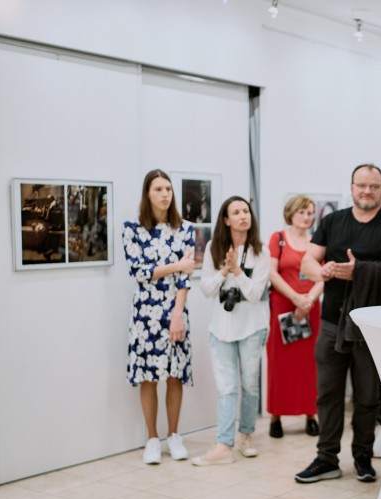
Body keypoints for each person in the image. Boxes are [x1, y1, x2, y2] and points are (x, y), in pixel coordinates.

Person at [294, 164, 381, 483]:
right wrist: (323, 272)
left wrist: (359, 271)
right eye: (362, 185)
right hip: (332, 321)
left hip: (372, 326)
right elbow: (308, 261)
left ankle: (363, 456)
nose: (367, 191)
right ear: (351, 187)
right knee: (328, 393)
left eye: (374, 186)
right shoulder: (332, 221)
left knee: (367, 396)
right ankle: (326, 458)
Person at [122, 169, 195, 465]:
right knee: (148, 376)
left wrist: (178, 314)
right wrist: (176, 265)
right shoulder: (132, 228)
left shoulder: (185, 229)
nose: (165, 194)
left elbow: (186, 277)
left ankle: (173, 435)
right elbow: (139, 272)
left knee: (175, 374)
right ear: (147, 194)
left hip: (175, 308)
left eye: (168, 189)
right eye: (158, 189)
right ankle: (152, 438)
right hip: (145, 312)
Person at [191, 196, 269, 465]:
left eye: (246, 211)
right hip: (221, 328)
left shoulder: (261, 251)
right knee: (226, 388)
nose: (243, 216)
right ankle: (224, 444)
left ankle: (245, 435)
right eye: (236, 212)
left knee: (249, 385)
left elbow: (255, 294)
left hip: (252, 327)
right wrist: (224, 270)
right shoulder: (214, 247)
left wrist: (237, 271)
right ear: (226, 220)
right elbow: (207, 289)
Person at [266, 195, 323, 439]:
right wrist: (296, 298)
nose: (306, 217)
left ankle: (310, 414)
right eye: (302, 212)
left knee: (310, 363)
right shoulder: (278, 239)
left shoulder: (317, 242)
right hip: (283, 306)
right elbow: (272, 273)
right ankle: (276, 416)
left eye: (310, 212)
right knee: (280, 363)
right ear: (290, 213)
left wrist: (308, 300)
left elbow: (323, 276)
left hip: (310, 309)